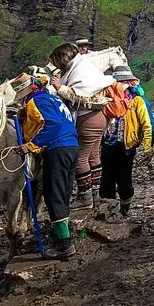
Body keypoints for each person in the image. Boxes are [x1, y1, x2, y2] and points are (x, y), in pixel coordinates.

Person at [15, 73, 79, 259]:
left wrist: (30, 145)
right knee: (64, 192)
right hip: (72, 147)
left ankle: (65, 245)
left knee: (53, 194)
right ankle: (61, 235)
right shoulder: (54, 99)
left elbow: (52, 125)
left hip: (57, 149)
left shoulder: (35, 102)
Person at [47, 42, 116, 210]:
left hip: (87, 119)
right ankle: (94, 194)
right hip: (100, 117)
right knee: (93, 155)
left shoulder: (80, 72)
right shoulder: (86, 66)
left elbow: (79, 94)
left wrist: (59, 87)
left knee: (80, 158)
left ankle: (84, 197)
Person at [98, 66, 154, 221]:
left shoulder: (137, 102)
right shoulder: (107, 101)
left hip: (126, 147)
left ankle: (124, 208)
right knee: (107, 178)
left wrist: (147, 147)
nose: (119, 85)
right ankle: (110, 207)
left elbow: (146, 125)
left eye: (122, 82)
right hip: (108, 145)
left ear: (129, 84)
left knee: (124, 178)